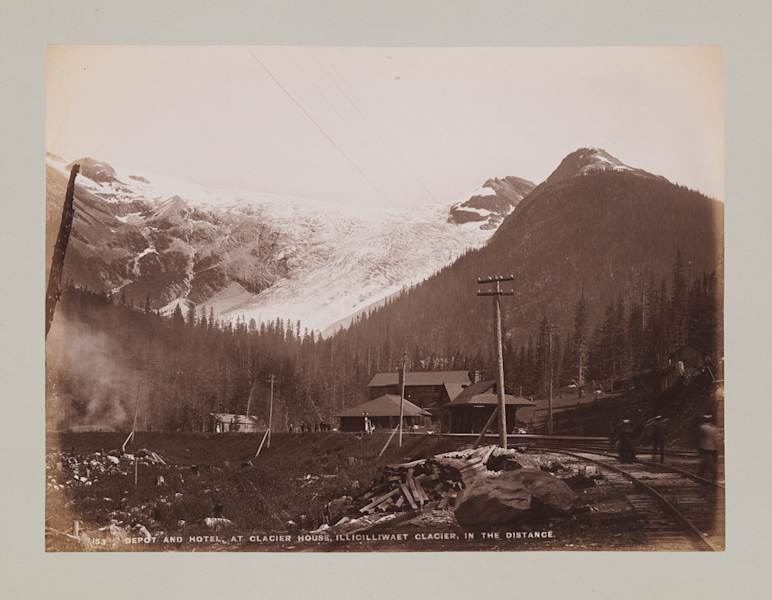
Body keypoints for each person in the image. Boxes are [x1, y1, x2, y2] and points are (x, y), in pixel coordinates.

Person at [697, 414, 720, 480]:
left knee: (705, 460)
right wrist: (717, 446)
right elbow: (716, 439)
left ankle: (703, 473)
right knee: (709, 460)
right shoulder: (715, 428)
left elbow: (698, 437)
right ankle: (702, 473)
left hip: (703, 446)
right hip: (713, 447)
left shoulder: (701, 427)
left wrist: (698, 446)